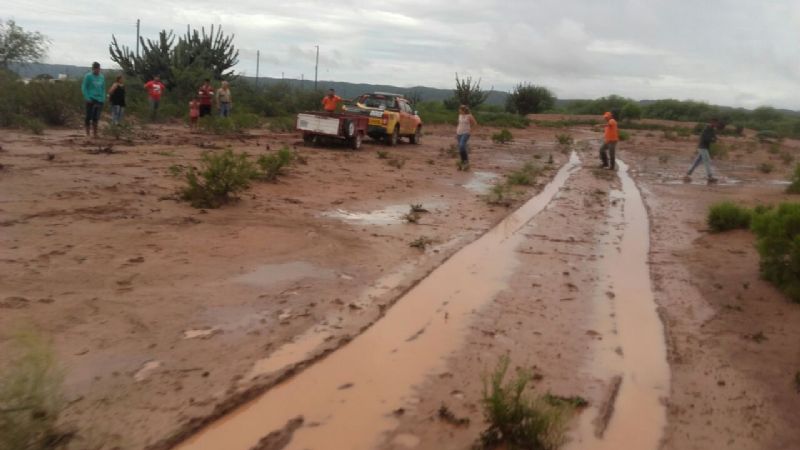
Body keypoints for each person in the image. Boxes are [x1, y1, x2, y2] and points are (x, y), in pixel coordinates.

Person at [685, 118, 720, 183]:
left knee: (696, 162)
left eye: (717, 123)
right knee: (707, 161)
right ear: (712, 122)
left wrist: (716, 138)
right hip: (702, 147)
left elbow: (713, 136)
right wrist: (714, 140)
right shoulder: (706, 129)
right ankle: (710, 177)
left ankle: (688, 174)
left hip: (704, 147)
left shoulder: (712, 129)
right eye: (715, 123)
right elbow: (706, 139)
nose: (716, 124)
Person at [81, 62, 105, 138]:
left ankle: (95, 133)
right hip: (90, 99)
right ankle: (87, 133)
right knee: (88, 116)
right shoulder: (88, 76)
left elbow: (103, 88)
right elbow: (84, 87)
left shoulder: (102, 77)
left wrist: (103, 98)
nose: (98, 70)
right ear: (93, 69)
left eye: (99, 69)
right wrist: (87, 97)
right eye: (96, 69)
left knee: (96, 117)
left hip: (99, 99)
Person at [456, 105, 478, 170]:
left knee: (462, 145)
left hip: (466, 133)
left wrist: (471, 131)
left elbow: (475, 123)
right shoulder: (459, 116)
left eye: (460, 109)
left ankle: (465, 161)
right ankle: (463, 162)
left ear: (463, 110)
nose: (459, 110)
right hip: (459, 133)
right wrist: (456, 131)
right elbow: (459, 123)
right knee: (460, 148)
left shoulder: (469, 116)